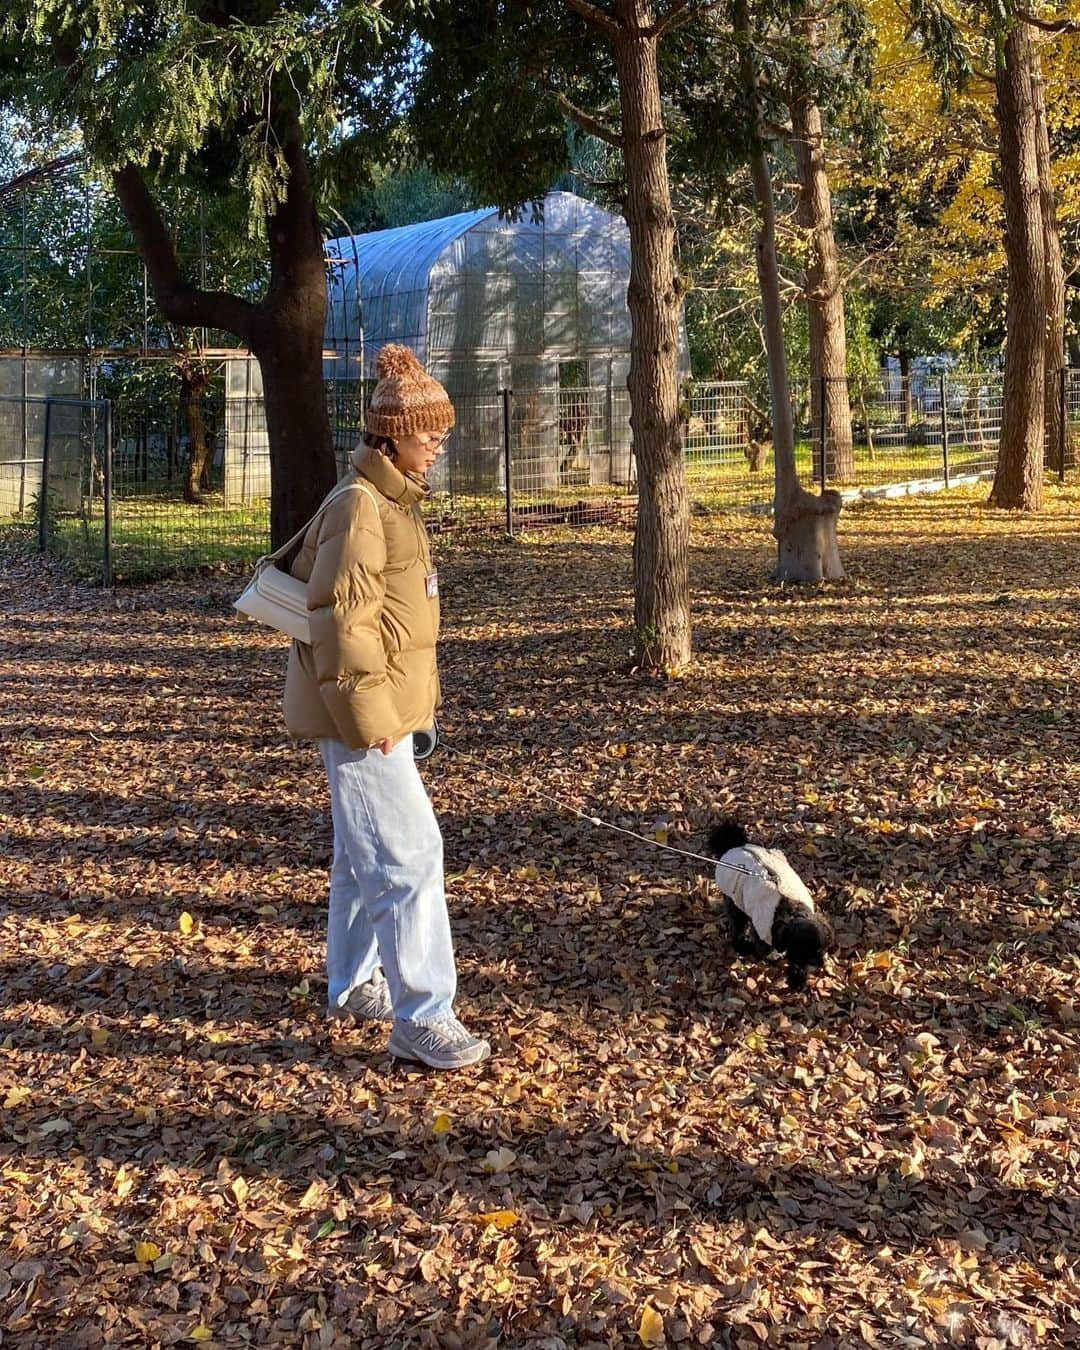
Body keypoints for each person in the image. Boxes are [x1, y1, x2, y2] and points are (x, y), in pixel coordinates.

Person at [283, 344, 490, 1070]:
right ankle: (423, 1016)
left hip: (384, 716)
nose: (438, 441)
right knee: (408, 856)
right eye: (428, 430)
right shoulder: (363, 506)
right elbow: (341, 623)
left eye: (441, 428)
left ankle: (350, 984)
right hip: (362, 721)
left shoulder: (394, 500)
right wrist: (372, 725)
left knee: (358, 855)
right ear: (388, 433)